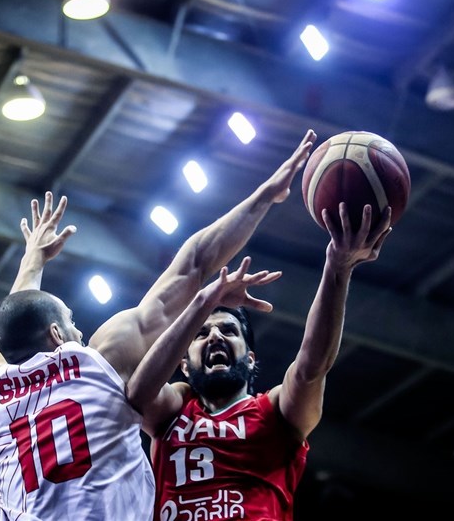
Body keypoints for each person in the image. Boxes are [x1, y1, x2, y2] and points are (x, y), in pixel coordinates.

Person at [0, 130, 319, 520]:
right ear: (56, 335)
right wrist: (264, 195)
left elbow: (13, 328)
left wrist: (31, 263)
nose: (80, 333)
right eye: (71, 322)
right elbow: (194, 264)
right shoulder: (97, 365)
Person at [127, 202, 393, 521]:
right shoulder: (173, 411)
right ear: (184, 364)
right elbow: (137, 393)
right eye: (201, 334)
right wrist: (202, 302)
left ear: (251, 359)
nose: (215, 338)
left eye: (228, 330)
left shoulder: (275, 411)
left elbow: (312, 367)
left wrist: (338, 268)